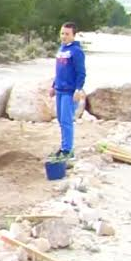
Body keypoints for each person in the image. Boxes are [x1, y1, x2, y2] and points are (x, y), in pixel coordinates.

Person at [48, 21, 86, 159]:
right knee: (61, 120)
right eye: (62, 33)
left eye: (67, 34)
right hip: (60, 89)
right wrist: (53, 85)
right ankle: (64, 147)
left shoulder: (76, 52)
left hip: (70, 91)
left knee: (66, 121)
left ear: (74, 35)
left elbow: (81, 72)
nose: (63, 36)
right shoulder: (62, 49)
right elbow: (59, 71)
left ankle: (68, 151)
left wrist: (78, 89)